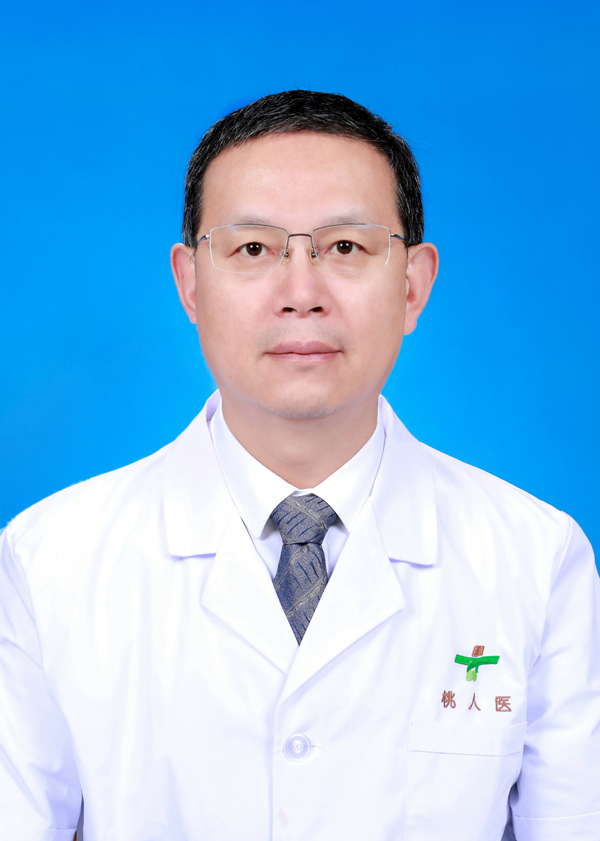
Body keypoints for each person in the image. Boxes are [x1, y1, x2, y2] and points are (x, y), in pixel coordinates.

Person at [0, 90, 598, 841]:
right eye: (253, 249)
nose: (302, 294)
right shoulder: (48, 561)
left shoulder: (536, 559)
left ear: (413, 285)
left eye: (345, 248)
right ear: (190, 283)